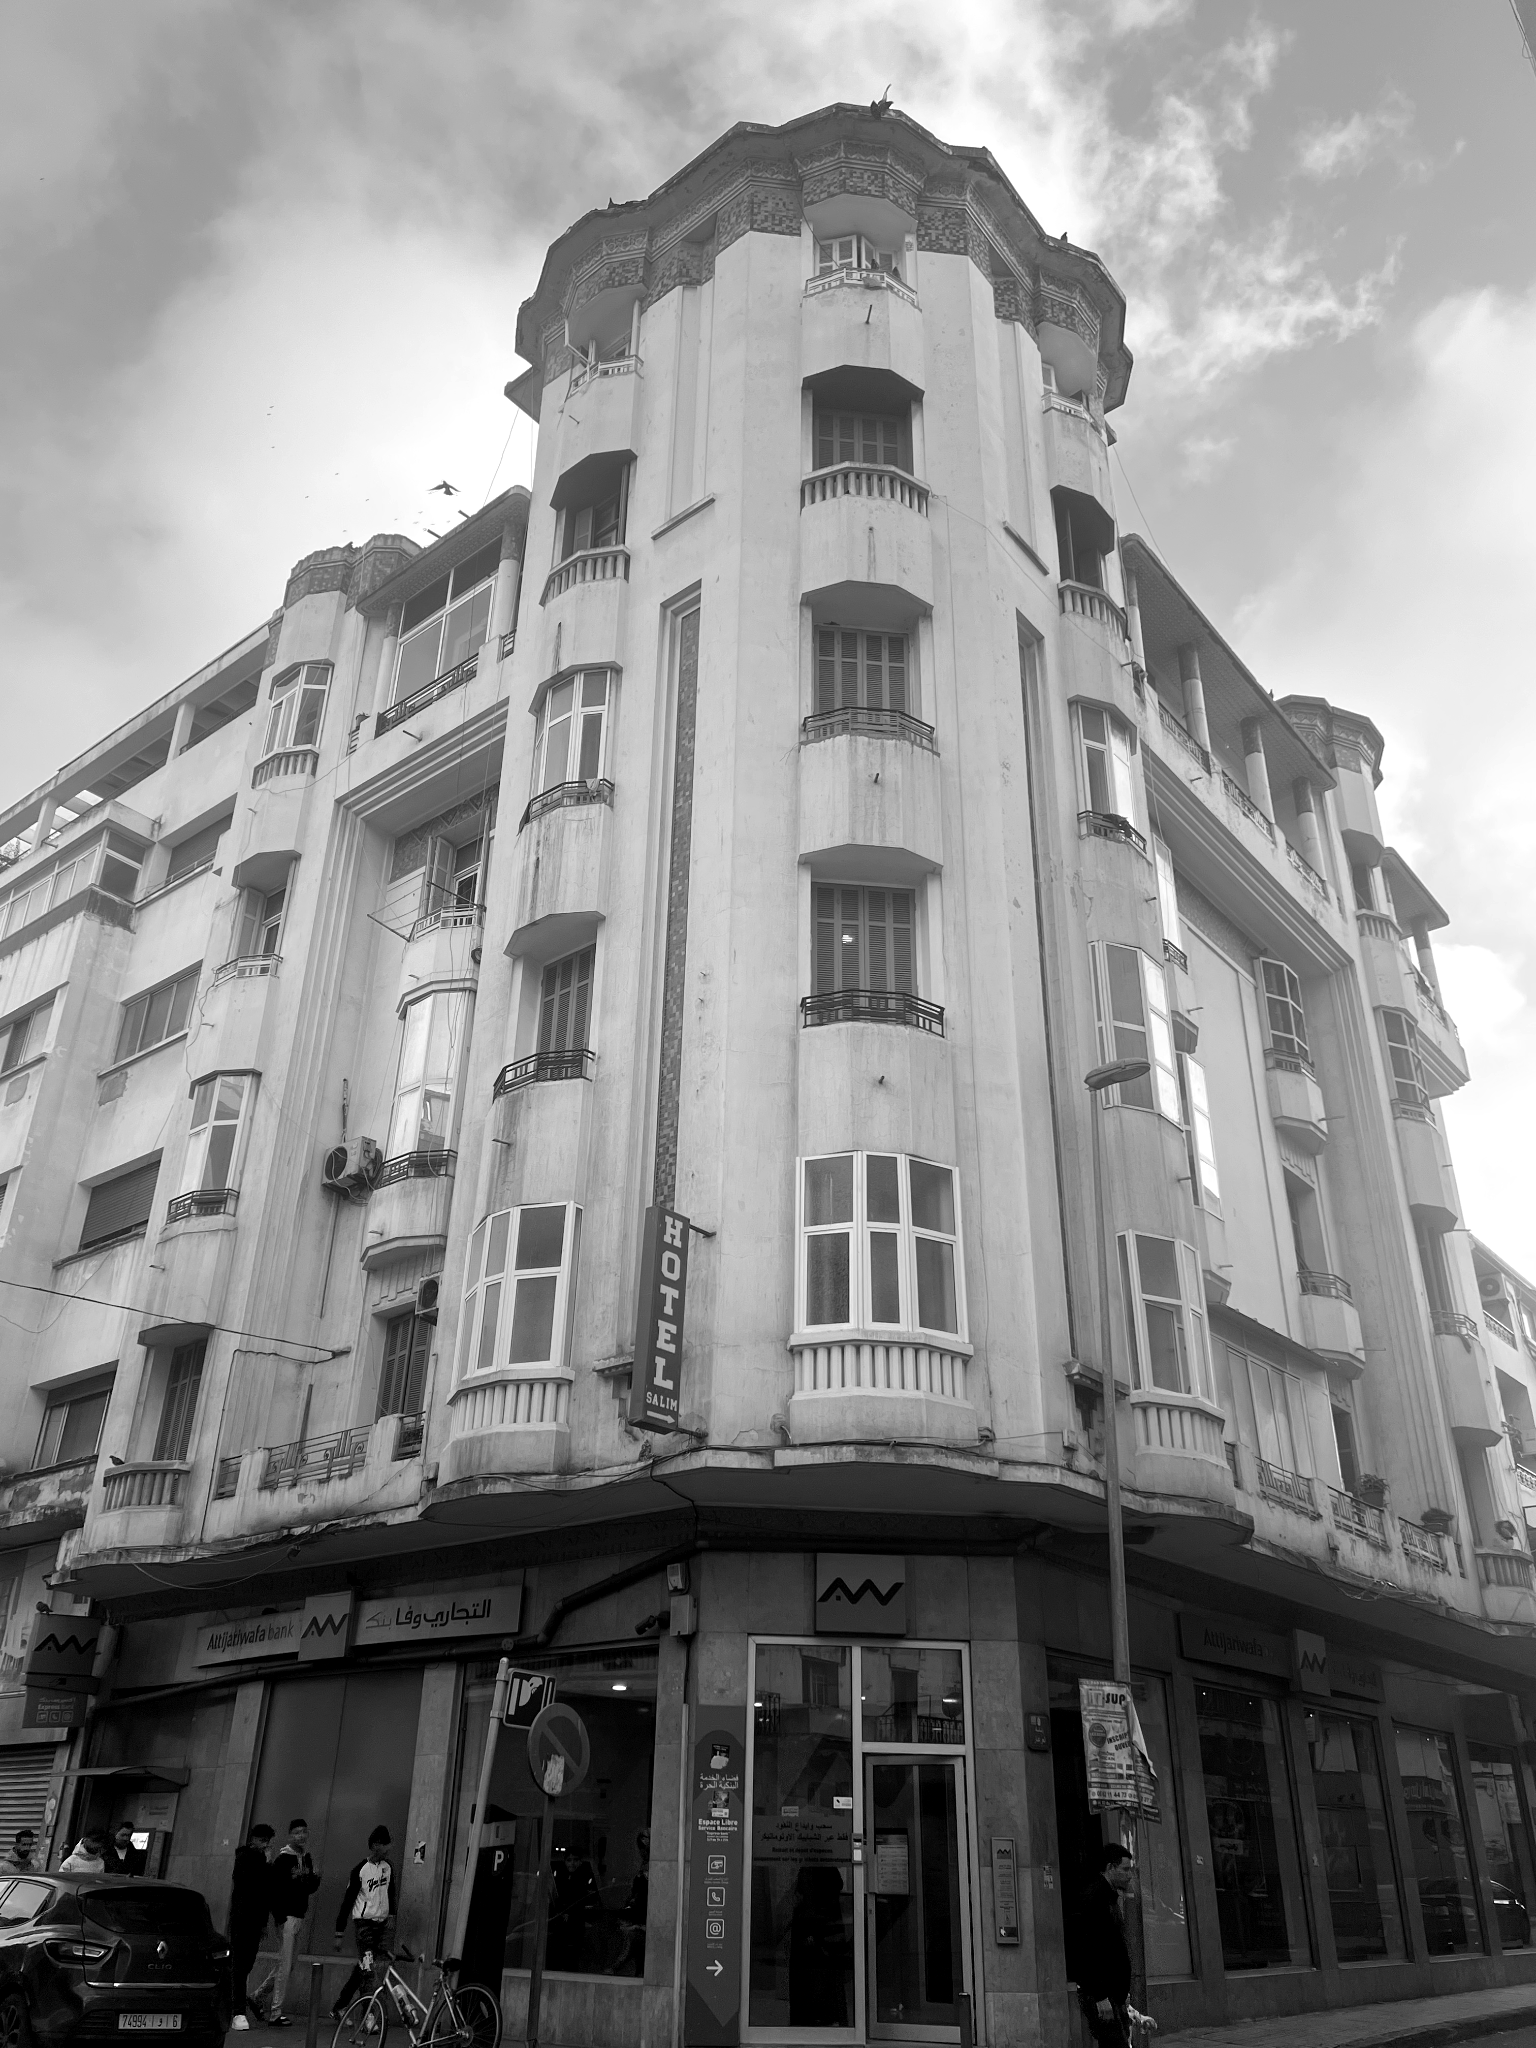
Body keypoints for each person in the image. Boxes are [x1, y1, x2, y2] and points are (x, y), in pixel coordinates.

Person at [252, 1818, 320, 2026]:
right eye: (297, 1832)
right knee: (285, 1964)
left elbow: (308, 1888)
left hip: (300, 1915)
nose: (301, 1835)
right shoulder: (282, 1860)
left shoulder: (306, 1858)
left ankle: (257, 1996)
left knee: (288, 1965)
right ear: (290, 1835)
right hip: (286, 1917)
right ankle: (275, 2012)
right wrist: (279, 1917)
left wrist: (315, 1878)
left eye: (304, 1832)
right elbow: (273, 1891)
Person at [1074, 1841, 1136, 2048]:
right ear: (1110, 1868)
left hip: (1111, 1992)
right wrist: (1100, 1996)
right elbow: (1086, 1949)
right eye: (1125, 1869)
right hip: (1101, 1993)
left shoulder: (1107, 1896)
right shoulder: (1094, 1898)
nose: (1129, 1875)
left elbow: (1112, 1948)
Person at [331, 1827, 397, 2019]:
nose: (389, 1848)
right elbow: (348, 1900)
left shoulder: (388, 1867)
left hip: (381, 1926)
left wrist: (391, 1915)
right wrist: (339, 1932)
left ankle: (340, 2006)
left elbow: (391, 1892)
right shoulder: (360, 1870)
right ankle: (368, 2017)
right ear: (375, 1845)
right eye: (385, 1844)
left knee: (363, 1968)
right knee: (368, 1970)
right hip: (364, 1926)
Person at [227, 1823, 275, 2034]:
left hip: (256, 1920)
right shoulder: (245, 1858)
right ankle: (237, 2010)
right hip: (242, 1919)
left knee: (246, 1965)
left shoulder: (262, 1861)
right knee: (239, 1965)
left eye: (267, 1841)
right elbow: (248, 1885)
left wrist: (263, 1923)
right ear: (253, 1839)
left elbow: (265, 1893)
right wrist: (265, 1864)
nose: (264, 1844)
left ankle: (233, 2003)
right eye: (262, 1840)